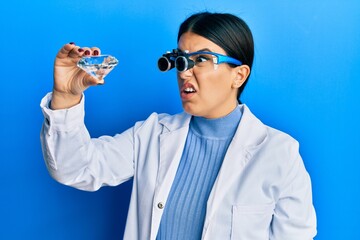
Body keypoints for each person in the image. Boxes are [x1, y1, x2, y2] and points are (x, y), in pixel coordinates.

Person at [40, 11, 317, 240]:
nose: (184, 72)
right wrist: (66, 94)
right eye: (180, 60)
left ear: (239, 75)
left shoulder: (280, 154)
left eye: (202, 60)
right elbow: (73, 168)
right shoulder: (152, 135)